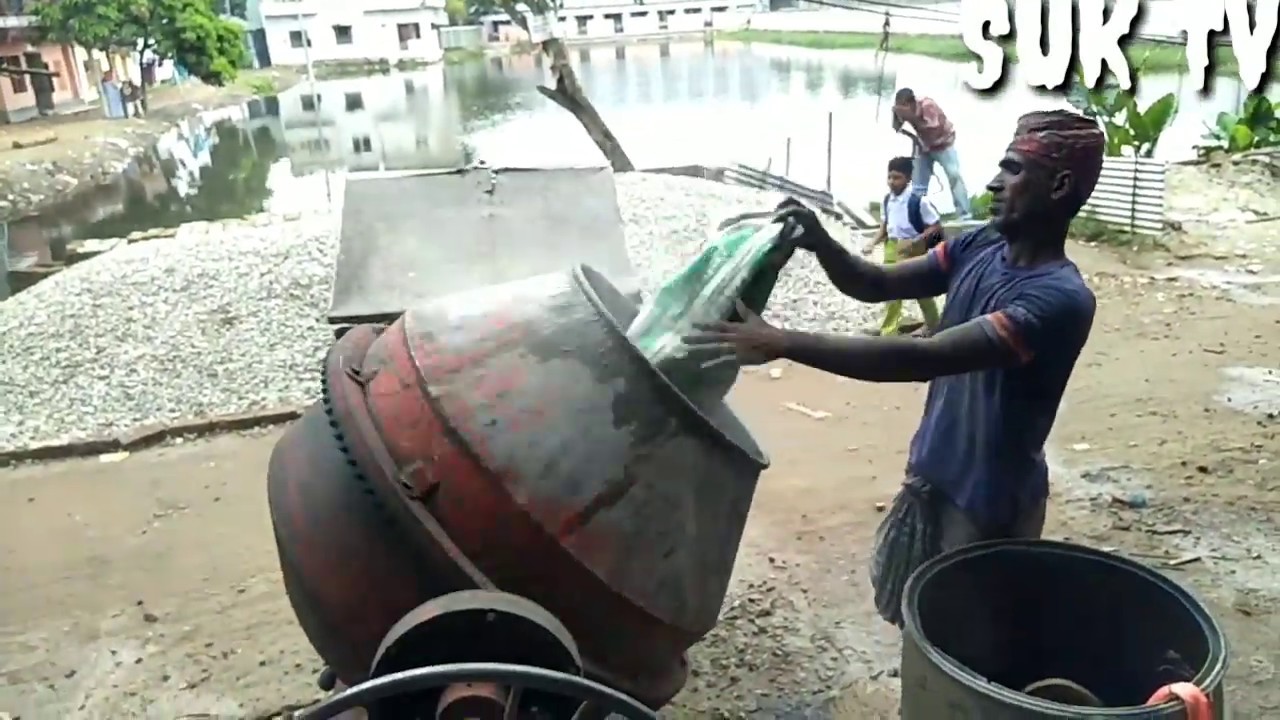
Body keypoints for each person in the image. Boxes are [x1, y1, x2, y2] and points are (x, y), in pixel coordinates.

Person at [685, 109, 1104, 627]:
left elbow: (921, 357)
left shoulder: (1059, 299)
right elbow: (875, 284)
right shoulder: (981, 246)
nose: (995, 182)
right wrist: (820, 241)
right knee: (922, 628)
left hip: (987, 506)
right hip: (933, 474)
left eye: (1014, 170)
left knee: (969, 646)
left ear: (1060, 185)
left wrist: (784, 342)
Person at [863, 156, 944, 337]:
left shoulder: (917, 201)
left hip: (913, 248)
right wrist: (872, 242)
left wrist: (917, 240)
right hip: (892, 247)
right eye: (889, 177)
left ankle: (934, 324)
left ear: (908, 179)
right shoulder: (887, 201)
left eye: (897, 177)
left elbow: (935, 225)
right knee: (891, 290)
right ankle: (889, 332)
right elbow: (884, 227)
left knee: (921, 290)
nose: (892, 182)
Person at [892, 88, 971, 219]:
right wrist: (898, 119)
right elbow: (897, 128)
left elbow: (933, 129)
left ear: (911, 103)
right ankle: (915, 217)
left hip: (943, 143)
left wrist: (912, 118)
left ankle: (964, 214)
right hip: (923, 146)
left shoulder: (928, 105)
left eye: (903, 106)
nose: (901, 110)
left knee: (954, 175)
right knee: (918, 184)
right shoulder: (899, 110)